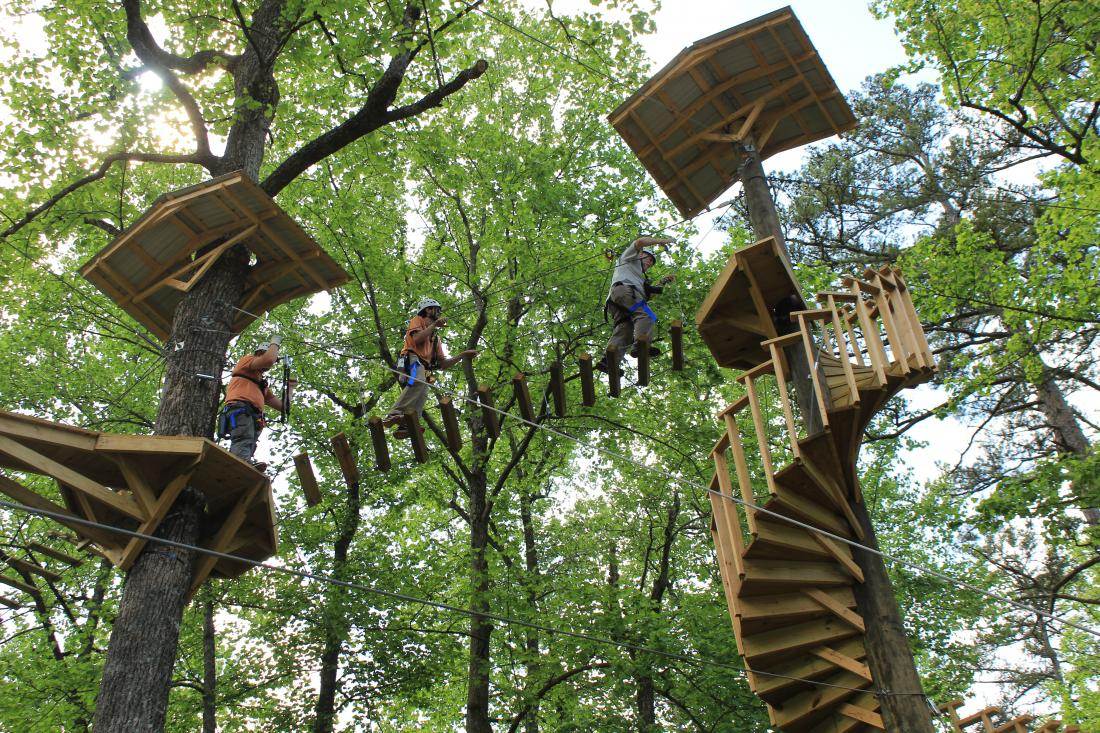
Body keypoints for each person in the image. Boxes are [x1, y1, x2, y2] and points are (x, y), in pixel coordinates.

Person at [383, 298, 479, 438]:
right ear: (428, 310)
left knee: (422, 392)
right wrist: (434, 325)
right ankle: (395, 413)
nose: (439, 313)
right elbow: (416, 339)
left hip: (423, 367)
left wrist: (463, 355)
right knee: (419, 381)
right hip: (411, 360)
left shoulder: (435, 339)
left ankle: (407, 424)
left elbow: (443, 364)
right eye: (437, 310)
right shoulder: (418, 320)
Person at [597, 236, 676, 372]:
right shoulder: (629, 258)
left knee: (626, 329)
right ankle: (641, 345)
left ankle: (608, 362)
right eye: (648, 258)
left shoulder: (638, 277)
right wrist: (660, 240)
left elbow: (646, 297)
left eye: (652, 262)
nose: (650, 263)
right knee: (647, 316)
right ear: (640, 254)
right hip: (624, 292)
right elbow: (639, 242)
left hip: (619, 302)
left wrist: (662, 282)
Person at [218, 334, 294, 470]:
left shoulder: (261, 384)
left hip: (252, 416)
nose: (270, 365)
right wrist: (275, 341)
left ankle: (245, 463)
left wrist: (291, 388)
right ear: (259, 353)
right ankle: (239, 465)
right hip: (240, 408)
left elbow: (284, 407)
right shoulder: (247, 361)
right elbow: (269, 360)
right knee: (244, 438)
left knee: (249, 442)